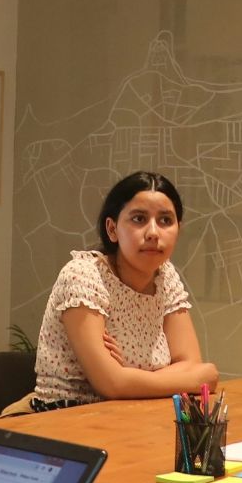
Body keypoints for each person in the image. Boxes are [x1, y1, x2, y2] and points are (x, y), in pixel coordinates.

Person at [29, 171, 217, 411]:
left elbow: (191, 363)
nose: (153, 233)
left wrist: (128, 375)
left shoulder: (166, 276)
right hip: (66, 415)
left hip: (135, 412)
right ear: (112, 229)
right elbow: (111, 384)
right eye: (139, 219)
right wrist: (187, 379)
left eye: (165, 221)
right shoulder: (83, 274)